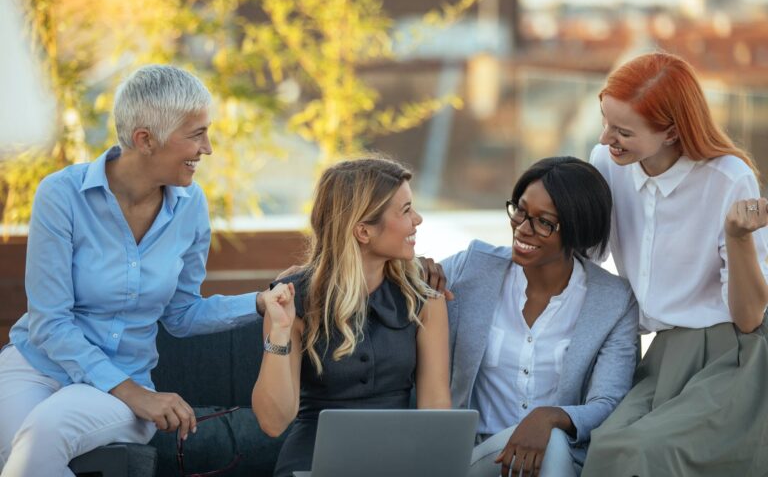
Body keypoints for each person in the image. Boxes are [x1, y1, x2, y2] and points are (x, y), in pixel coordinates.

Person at [0, 65, 276, 477]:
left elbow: (181, 315)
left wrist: (259, 302)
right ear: (145, 139)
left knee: (41, 435)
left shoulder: (191, 206)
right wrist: (139, 397)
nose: (208, 148)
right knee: (18, 456)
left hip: (124, 378)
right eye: (196, 134)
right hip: (37, 365)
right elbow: (50, 322)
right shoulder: (61, 195)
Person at [582, 51, 768, 476]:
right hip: (659, 354)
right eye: (605, 121)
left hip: (730, 355)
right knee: (606, 447)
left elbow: (749, 316)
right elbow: (586, 254)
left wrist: (738, 238)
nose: (607, 138)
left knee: (645, 453)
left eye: (623, 131)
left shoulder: (728, 177)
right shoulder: (607, 165)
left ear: (670, 132)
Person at [427, 156, 638, 477]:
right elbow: (403, 284)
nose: (523, 229)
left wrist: (549, 417)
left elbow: (608, 400)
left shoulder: (614, 300)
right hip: (476, 456)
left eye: (544, 222)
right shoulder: (472, 267)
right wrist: (414, 267)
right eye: (521, 211)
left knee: (552, 443)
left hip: (557, 455)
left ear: (578, 228)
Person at [251, 157, 451, 477]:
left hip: (398, 461)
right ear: (363, 231)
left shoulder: (425, 301)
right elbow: (273, 423)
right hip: (312, 461)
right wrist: (279, 330)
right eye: (405, 210)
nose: (418, 219)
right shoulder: (292, 299)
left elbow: (436, 414)